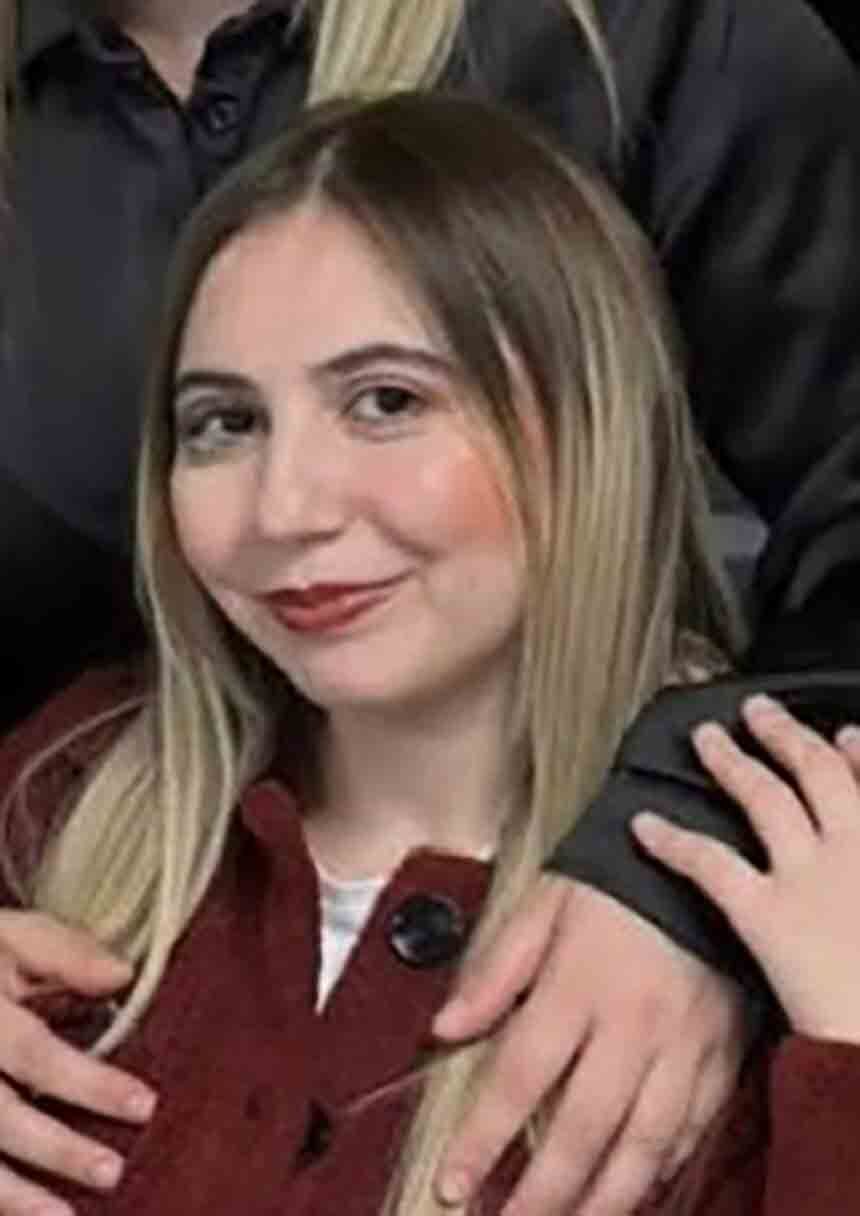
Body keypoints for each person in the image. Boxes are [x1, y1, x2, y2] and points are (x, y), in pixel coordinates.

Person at [2, 1, 860, 1212]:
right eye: (222, 423)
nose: (284, 507)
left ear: (585, 425)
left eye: (388, 402)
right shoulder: (56, 810)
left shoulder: (807, 907)